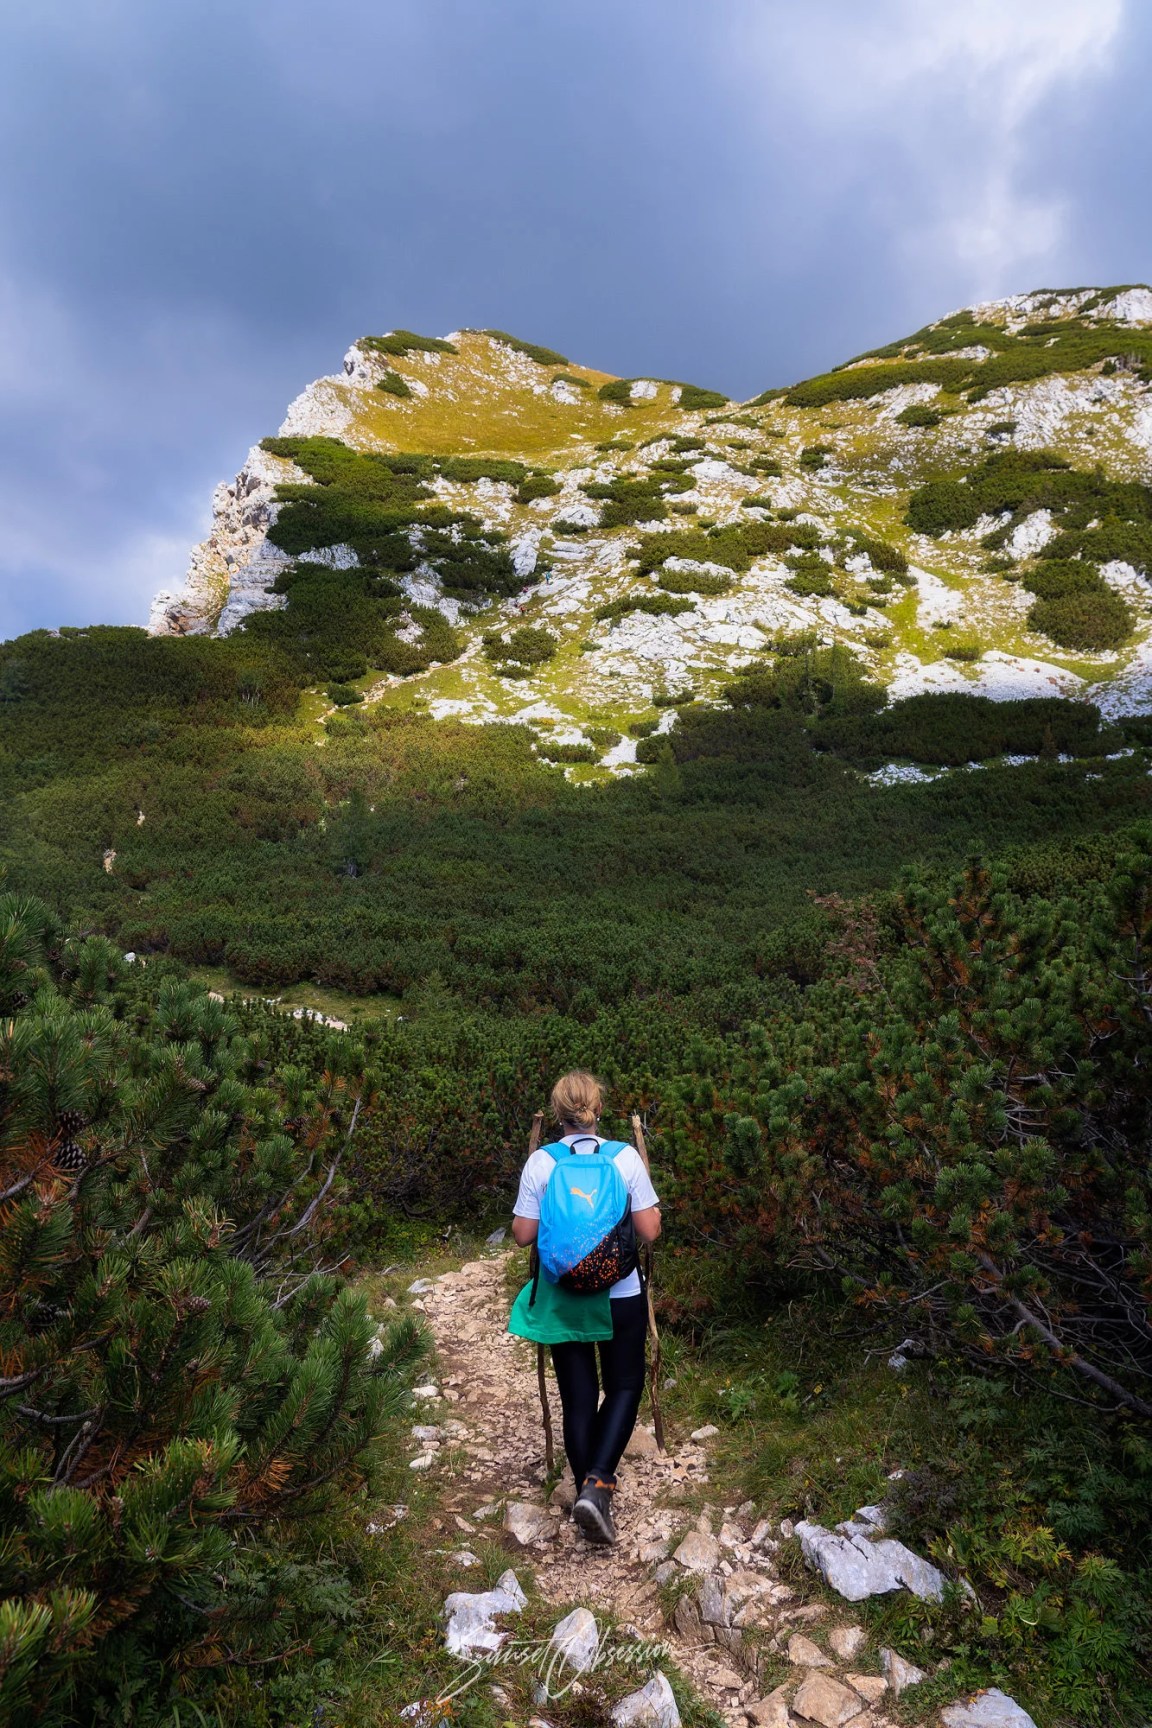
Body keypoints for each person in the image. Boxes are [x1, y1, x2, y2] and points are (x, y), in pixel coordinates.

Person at [507, 1070, 661, 1545]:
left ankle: (586, 1491)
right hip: (619, 1292)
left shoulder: (542, 1163)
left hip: (564, 1294)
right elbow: (650, 1231)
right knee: (625, 1385)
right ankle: (598, 1485)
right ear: (598, 1109)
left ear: (557, 1115)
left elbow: (522, 1235)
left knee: (577, 1398)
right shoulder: (625, 1157)